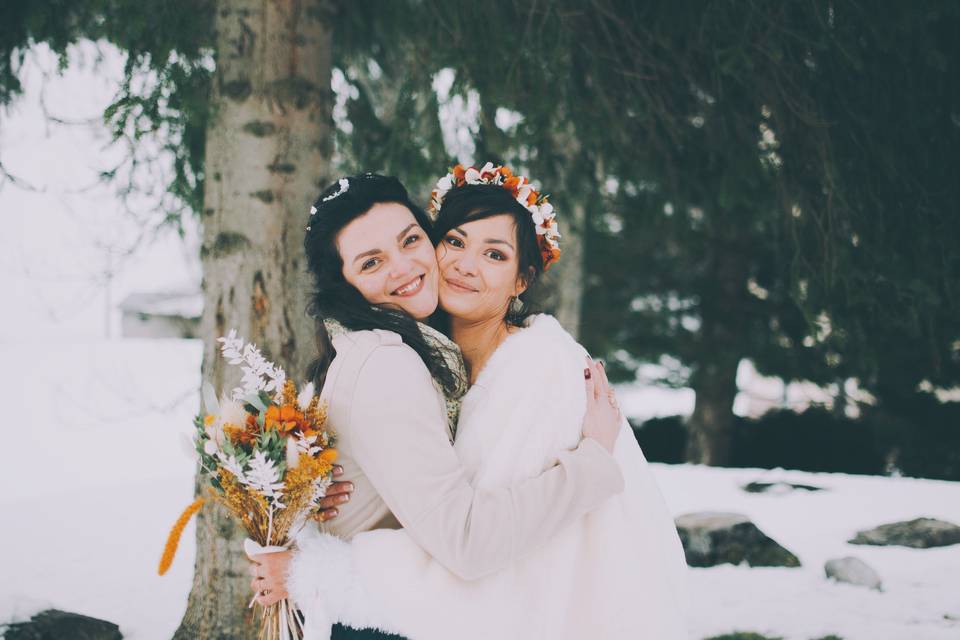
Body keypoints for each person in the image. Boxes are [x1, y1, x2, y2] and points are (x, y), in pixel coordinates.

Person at [250, 166, 689, 639]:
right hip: (392, 620)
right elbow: (467, 538)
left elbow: (499, 551)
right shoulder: (392, 360)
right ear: (345, 284)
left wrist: (595, 460)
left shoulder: (531, 368)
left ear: (521, 280)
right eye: (455, 242)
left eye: (494, 254)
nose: (461, 264)